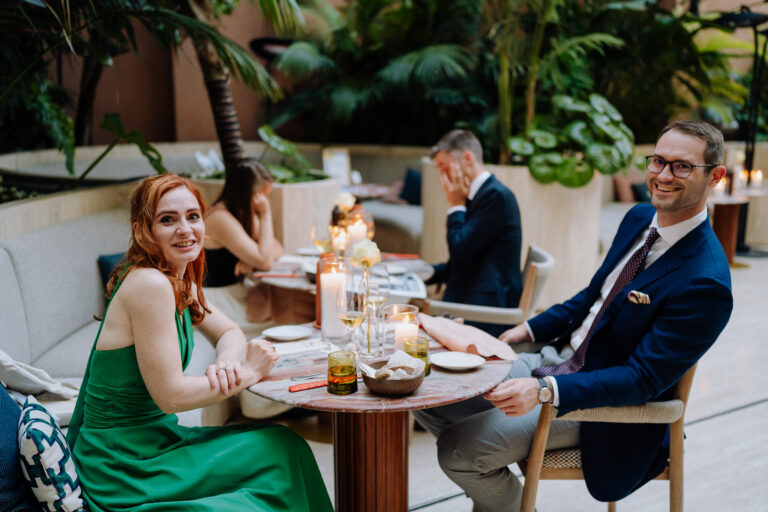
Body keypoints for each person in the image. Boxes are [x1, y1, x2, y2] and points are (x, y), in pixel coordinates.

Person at [413, 120, 733, 511]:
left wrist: (545, 391)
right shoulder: (639, 217)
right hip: (557, 358)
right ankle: (491, 483)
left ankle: (485, 471)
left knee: (458, 451)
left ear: (715, 176)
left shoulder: (705, 281)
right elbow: (595, 295)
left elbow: (641, 380)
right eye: (658, 161)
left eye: (682, 166)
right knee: (430, 394)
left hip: (599, 405)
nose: (664, 175)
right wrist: (527, 328)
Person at [66, 174, 332, 512]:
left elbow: (229, 332)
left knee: (285, 446)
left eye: (193, 216)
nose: (185, 229)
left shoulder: (177, 281)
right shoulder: (150, 284)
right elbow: (171, 396)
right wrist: (248, 374)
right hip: (124, 465)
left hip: (158, 442)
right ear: (142, 230)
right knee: (266, 486)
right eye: (168, 219)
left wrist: (227, 364)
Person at [426, 129, 523, 336]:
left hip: (487, 309)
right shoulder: (481, 195)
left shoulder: (496, 197)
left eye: (444, 167)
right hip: (473, 295)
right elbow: (465, 257)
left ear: (468, 159)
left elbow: (460, 249)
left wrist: (455, 205)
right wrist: (422, 273)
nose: (442, 177)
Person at [203, 158, 283, 329]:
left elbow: (277, 248)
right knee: (279, 324)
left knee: (286, 311)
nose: (265, 202)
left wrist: (252, 262)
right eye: (264, 196)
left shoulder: (242, 213)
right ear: (250, 195)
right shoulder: (220, 218)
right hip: (218, 301)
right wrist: (265, 214)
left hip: (236, 293)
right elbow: (266, 261)